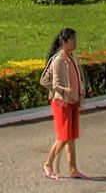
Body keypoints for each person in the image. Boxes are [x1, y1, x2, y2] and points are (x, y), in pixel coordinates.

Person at [43, 26, 84, 181]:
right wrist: (64, 90)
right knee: (64, 136)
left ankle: (73, 169)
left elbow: (77, 76)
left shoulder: (71, 56)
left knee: (71, 136)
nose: (75, 42)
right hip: (62, 103)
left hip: (72, 101)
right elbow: (55, 84)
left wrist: (80, 92)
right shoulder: (59, 60)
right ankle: (48, 164)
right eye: (72, 40)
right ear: (64, 42)